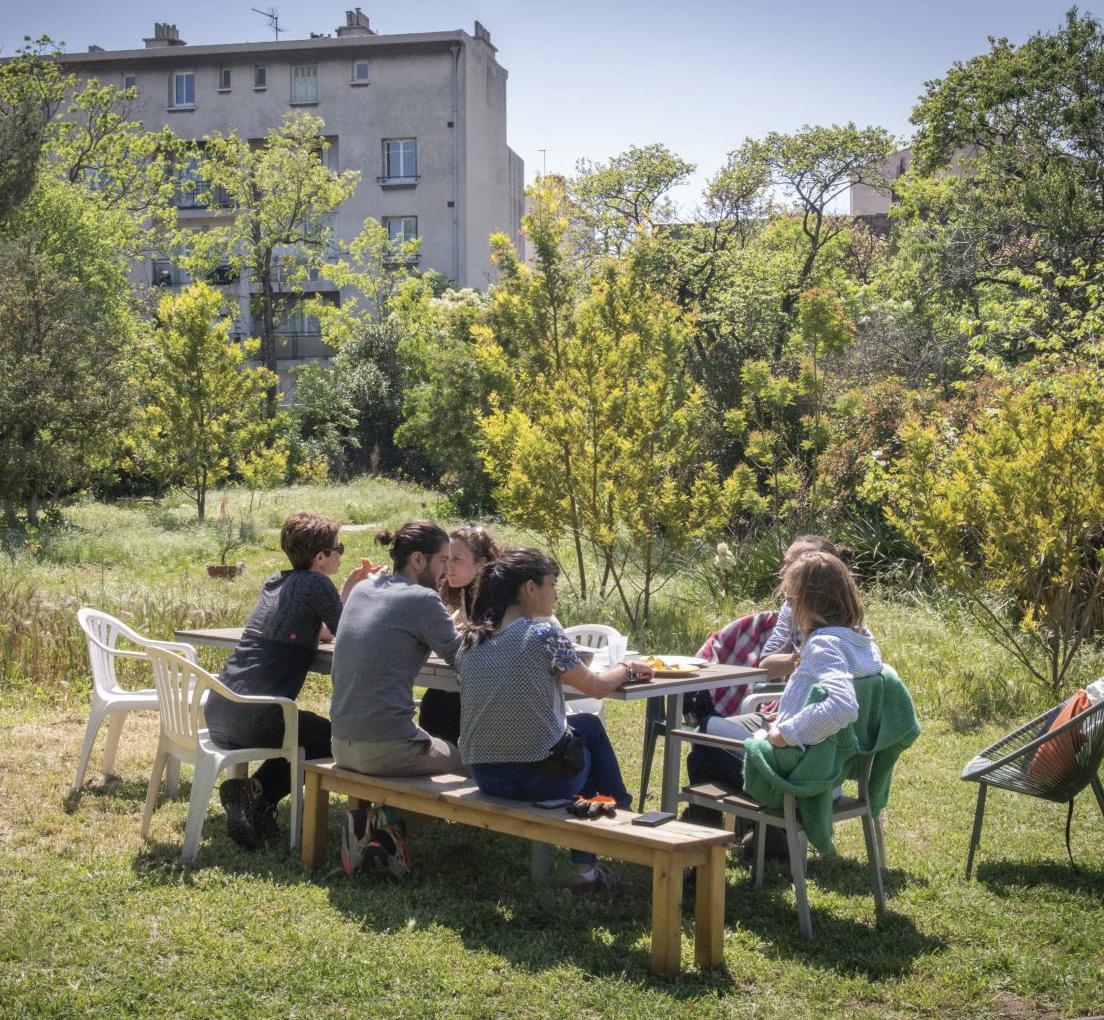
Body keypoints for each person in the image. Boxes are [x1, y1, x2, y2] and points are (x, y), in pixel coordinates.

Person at [456, 547, 655, 894]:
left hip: (485, 775)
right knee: (587, 751)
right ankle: (614, 831)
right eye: (552, 584)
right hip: (533, 780)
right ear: (530, 588)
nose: (556, 593)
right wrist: (627, 669)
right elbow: (595, 688)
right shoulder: (543, 634)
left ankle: (607, 839)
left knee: (586, 728)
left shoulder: (471, 642)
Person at [207, 511, 370, 850]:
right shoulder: (316, 584)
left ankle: (253, 796)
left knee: (306, 731)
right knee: (333, 739)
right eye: (338, 548)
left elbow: (323, 632)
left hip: (221, 710)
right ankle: (258, 795)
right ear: (321, 557)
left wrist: (347, 589)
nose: (341, 554)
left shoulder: (276, 582)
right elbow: (349, 635)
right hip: (256, 717)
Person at [688, 550, 882, 830]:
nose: (789, 609)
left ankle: (707, 838)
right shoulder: (863, 642)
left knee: (705, 730)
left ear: (811, 602)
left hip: (798, 777)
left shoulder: (823, 644)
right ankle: (763, 839)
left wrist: (787, 733)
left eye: (791, 600)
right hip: (830, 772)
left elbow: (843, 705)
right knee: (705, 752)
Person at [329, 521, 461, 777]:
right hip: (386, 749)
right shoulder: (423, 598)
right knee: (465, 762)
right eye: (443, 560)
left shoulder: (362, 589)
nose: (446, 571)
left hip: (340, 744)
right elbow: (464, 660)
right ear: (418, 559)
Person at [418, 525, 502, 745]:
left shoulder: (499, 596)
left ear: (481, 563)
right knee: (435, 701)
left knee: (440, 704)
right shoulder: (450, 591)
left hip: (491, 687)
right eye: (446, 559)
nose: (448, 567)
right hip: (454, 680)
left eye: (457, 559)